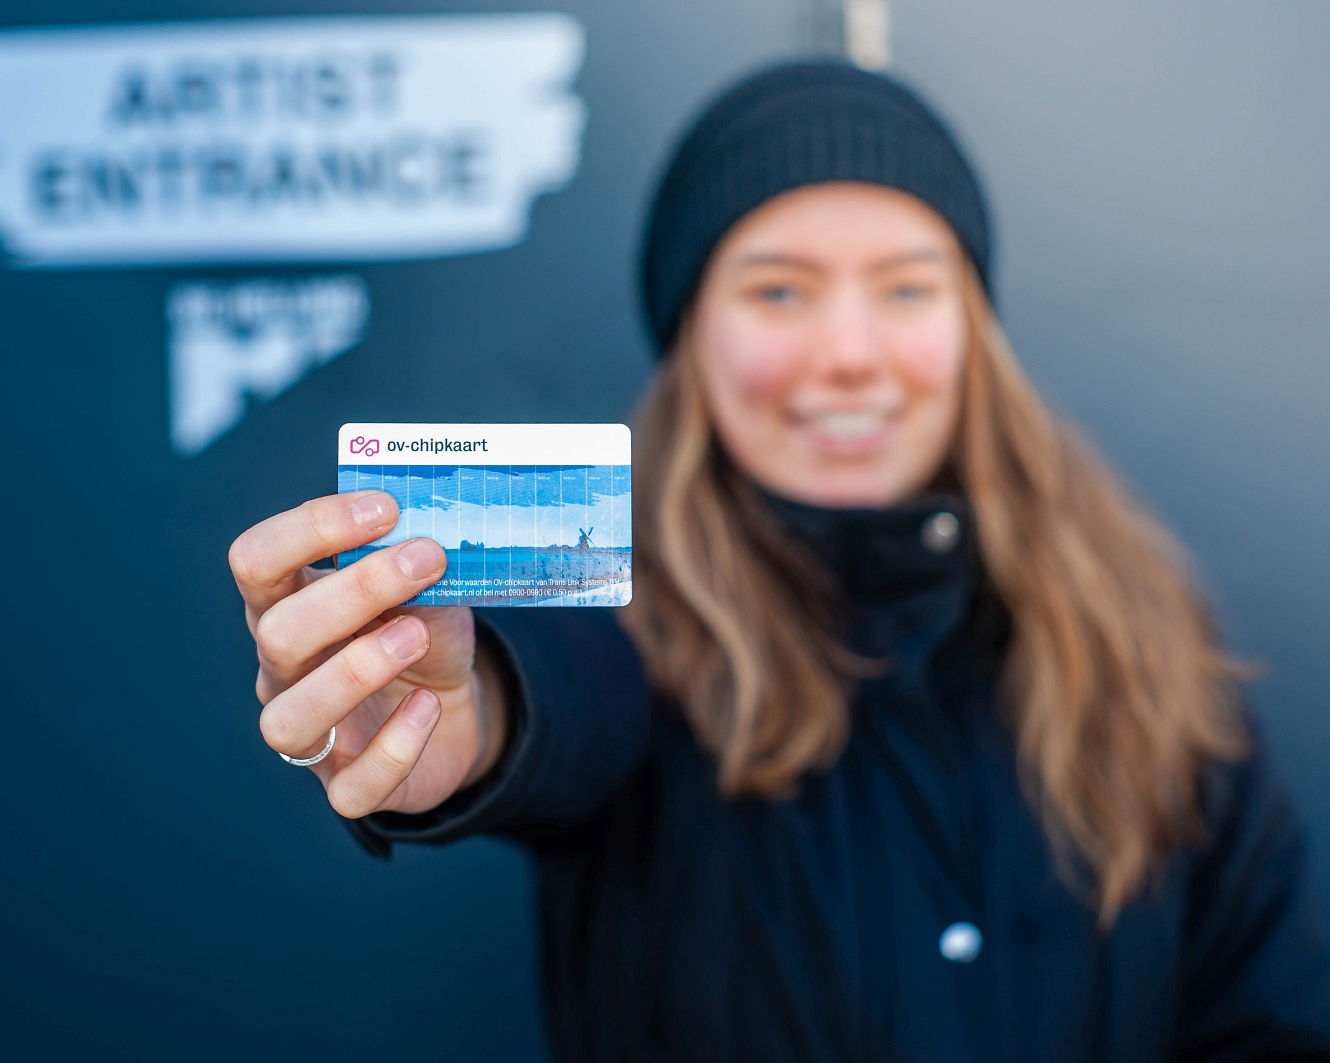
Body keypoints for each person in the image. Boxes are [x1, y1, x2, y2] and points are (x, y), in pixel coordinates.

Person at [229, 62, 1330, 1060]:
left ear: (972, 332)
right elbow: (568, 686)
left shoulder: (1149, 649)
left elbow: (1263, 1021)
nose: (849, 355)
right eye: (778, 291)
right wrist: (474, 714)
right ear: (692, 338)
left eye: (907, 287)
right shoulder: (634, 628)